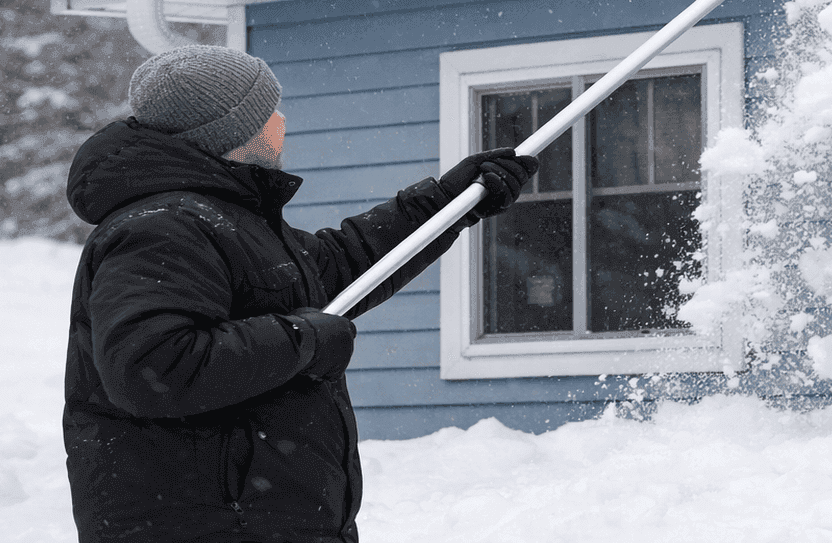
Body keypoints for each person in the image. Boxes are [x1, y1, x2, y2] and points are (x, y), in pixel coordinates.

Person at [62, 44, 536, 543]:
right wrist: (304, 341)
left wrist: (448, 203)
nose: (281, 120)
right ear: (229, 133)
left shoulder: (221, 219)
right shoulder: (162, 228)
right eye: (266, 111)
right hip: (211, 527)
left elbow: (337, 265)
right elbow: (154, 366)